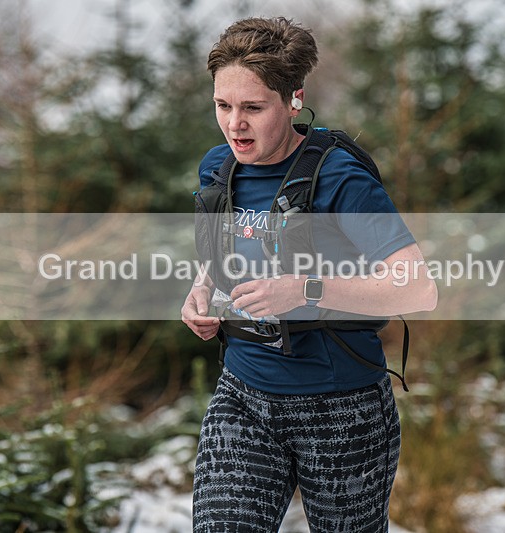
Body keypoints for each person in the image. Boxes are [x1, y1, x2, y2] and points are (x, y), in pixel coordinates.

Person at [181, 16, 437, 533]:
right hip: (245, 394)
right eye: (223, 106)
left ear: (293, 99)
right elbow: (220, 254)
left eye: (253, 108)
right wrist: (202, 291)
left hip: (342, 408)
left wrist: (304, 290)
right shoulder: (218, 168)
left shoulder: (342, 179)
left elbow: (418, 287)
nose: (235, 125)